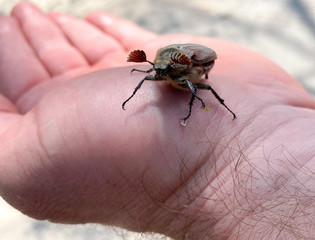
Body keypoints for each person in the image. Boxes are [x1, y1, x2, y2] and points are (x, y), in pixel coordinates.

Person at [0, 2, 314, 239]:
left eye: (162, 72)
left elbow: (200, 74)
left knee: (202, 90)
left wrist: (226, 124)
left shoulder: (188, 68)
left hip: (198, 64)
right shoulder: (160, 66)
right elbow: (152, 74)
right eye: (156, 71)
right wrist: (133, 94)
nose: (158, 76)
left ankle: (203, 107)